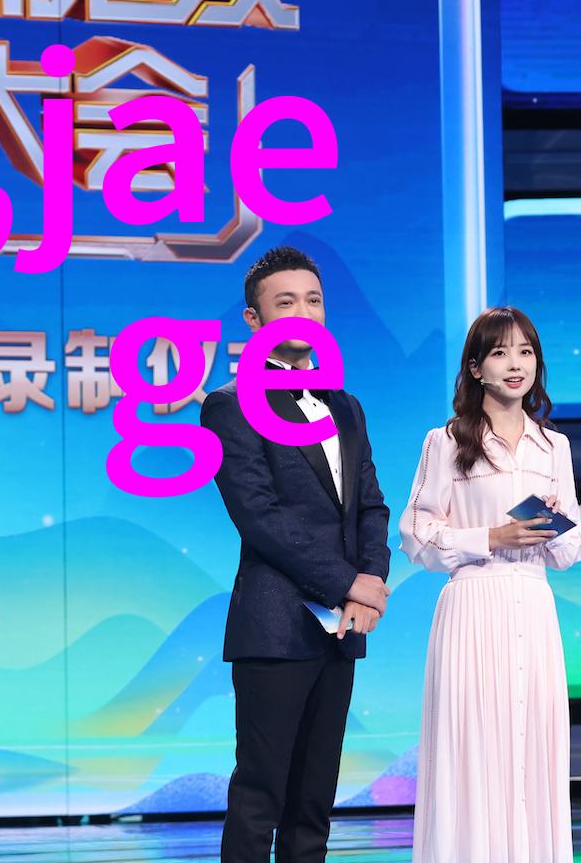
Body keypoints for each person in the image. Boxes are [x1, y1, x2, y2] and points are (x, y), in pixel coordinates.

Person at [203, 245, 392, 863]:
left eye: (314, 300)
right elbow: (261, 518)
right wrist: (348, 583)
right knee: (262, 792)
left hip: (341, 627)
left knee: (314, 799)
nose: (304, 313)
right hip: (277, 626)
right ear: (253, 320)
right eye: (285, 303)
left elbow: (370, 506)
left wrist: (371, 582)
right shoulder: (231, 404)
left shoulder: (345, 406)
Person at [400, 306, 581, 863]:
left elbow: (571, 550)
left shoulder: (554, 447)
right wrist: (491, 536)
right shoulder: (445, 441)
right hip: (473, 601)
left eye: (526, 352)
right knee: (473, 743)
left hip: (533, 601)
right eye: (501, 352)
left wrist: (554, 524)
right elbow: (417, 534)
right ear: (475, 367)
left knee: (533, 742)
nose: (515, 364)